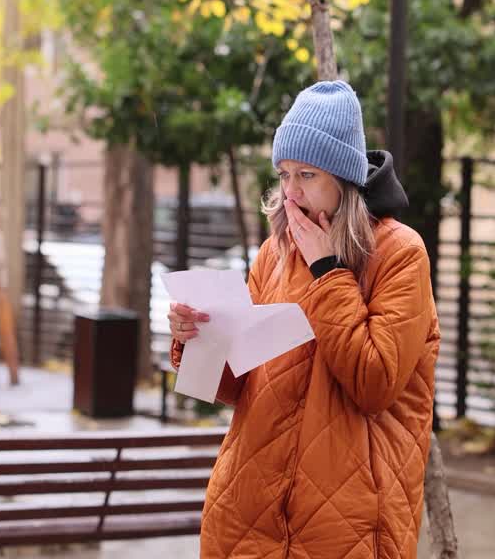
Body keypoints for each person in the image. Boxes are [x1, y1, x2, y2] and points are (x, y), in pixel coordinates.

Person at [168, 80, 440, 558]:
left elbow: (374, 383)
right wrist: (196, 339)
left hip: (345, 527)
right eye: (284, 174)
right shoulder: (274, 253)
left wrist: (329, 271)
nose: (291, 193)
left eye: (308, 176)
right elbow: (237, 387)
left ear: (343, 178)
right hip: (247, 514)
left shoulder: (400, 253)